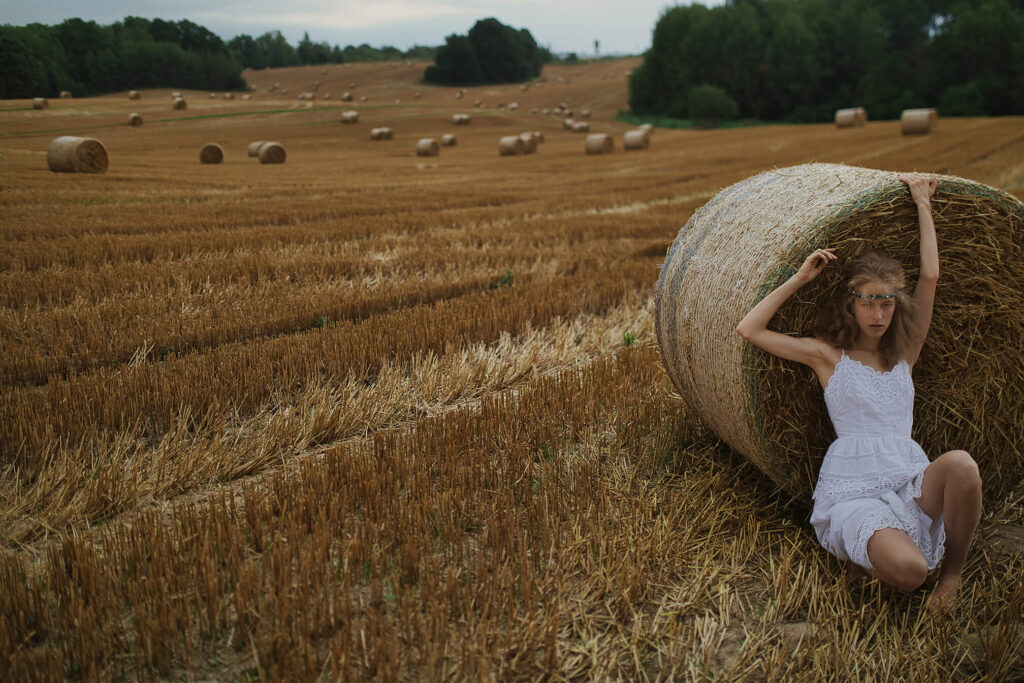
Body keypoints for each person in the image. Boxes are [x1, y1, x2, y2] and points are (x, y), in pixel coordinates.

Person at [735, 173, 982, 611]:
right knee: (910, 573)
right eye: (867, 302)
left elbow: (931, 275)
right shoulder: (828, 357)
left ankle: (952, 576)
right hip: (855, 490)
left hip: (908, 479)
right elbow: (749, 329)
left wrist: (922, 203)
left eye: (886, 303)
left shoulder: (905, 353)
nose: (877, 314)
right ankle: (869, 557)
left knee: (963, 466)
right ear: (850, 303)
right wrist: (798, 278)